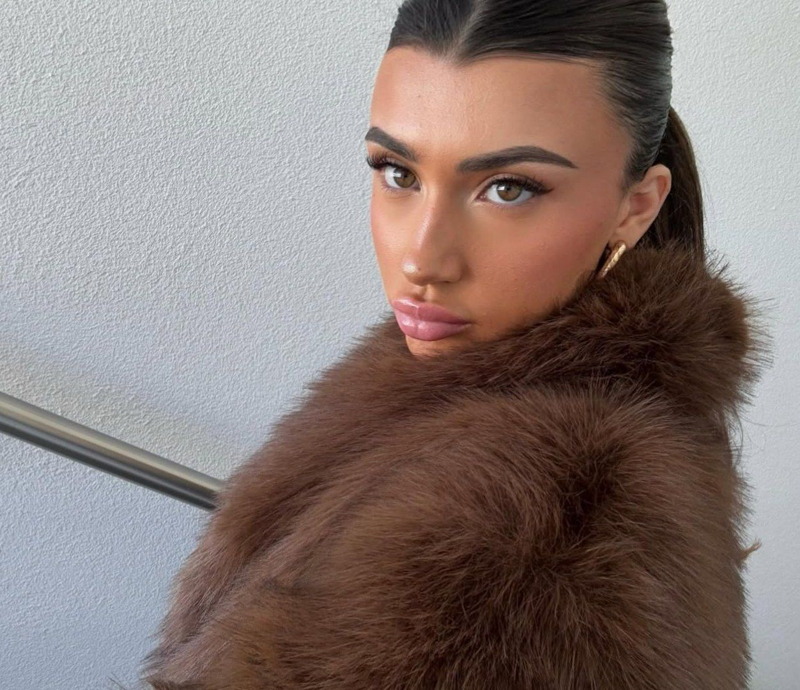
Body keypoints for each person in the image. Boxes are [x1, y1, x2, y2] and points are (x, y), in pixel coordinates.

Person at [140, 1, 773, 687]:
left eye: (508, 188)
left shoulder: (553, 524)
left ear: (637, 206)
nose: (422, 258)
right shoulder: (468, 391)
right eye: (398, 173)